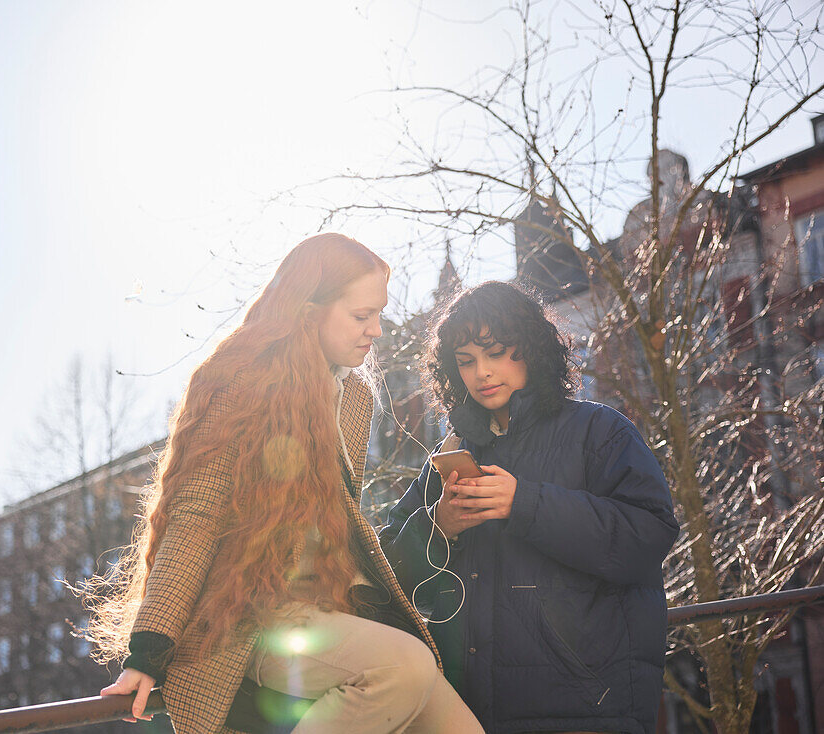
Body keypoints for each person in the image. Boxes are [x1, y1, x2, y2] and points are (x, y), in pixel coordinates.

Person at [89, 234, 483, 734]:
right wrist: (148, 650)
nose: (376, 330)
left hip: (326, 610)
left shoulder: (351, 395)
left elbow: (342, 525)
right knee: (403, 666)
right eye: (362, 316)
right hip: (247, 618)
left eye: (378, 314)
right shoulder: (242, 381)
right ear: (309, 310)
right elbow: (194, 517)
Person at [379, 281, 679, 734]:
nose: (481, 372)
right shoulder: (451, 452)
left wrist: (526, 504)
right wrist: (438, 527)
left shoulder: (600, 430)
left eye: (496, 352)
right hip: (467, 712)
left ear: (532, 348)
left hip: (585, 710)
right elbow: (382, 566)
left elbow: (648, 535)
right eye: (466, 361)